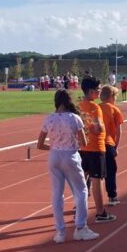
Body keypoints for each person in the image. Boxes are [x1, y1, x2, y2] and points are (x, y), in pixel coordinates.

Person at [38, 89, 98, 243]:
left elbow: (40, 144)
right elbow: (84, 142)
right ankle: (81, 228)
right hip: (70, 155)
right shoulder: (74, 118)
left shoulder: (49, 119)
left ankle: (60, 232)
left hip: (54, 156)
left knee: (57, 194)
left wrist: (54, 147)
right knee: (81, 191)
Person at [78, 76, 114, 223]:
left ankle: (79, 209)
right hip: (96, 148)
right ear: (91, 91)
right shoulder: (95, 107)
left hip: (83, 147)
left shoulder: (78, 106)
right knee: (97, 181)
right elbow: (98, 128)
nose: (100, 92)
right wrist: (99, 127)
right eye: (98, 89)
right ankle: (100, 212)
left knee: (81, 180)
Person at [98, 85, 125, 206]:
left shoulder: (96, 107)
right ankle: (112, 196)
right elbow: (119, 132)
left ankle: (83, 197)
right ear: (112, 96)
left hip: (95, 144)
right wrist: (115, 147)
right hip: (108, 143)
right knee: (110, 170)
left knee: (91, 172)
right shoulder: (115, 110)